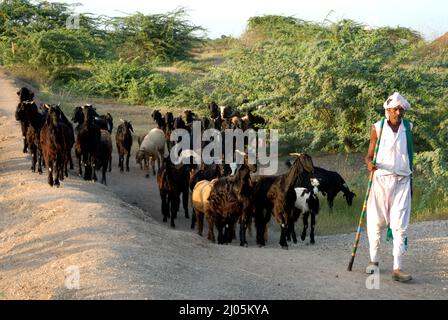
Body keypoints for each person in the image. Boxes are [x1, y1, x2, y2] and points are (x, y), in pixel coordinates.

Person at [365, 92, 413, 283]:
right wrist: (369, 163)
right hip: (380, 180)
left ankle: (397, 268)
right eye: (395, 109)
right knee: (375, 222)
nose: (398, 112)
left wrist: (412, 183)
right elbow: (368, 155)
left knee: (400, 225)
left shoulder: (408, 128)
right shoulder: (378, 128)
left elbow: (410, 155)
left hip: (402, 181)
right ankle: (374, 261)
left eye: (401, 109)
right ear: (387, 110)